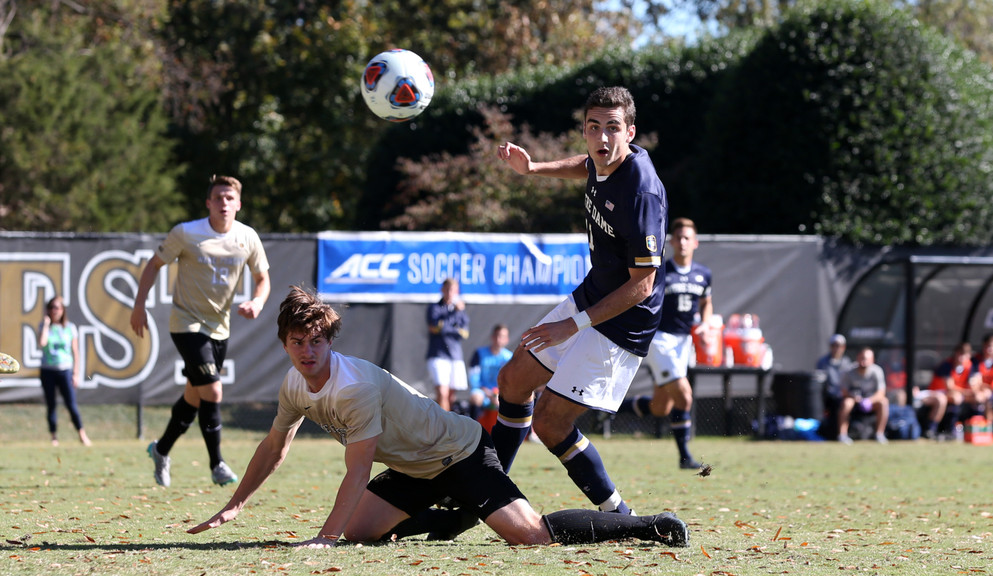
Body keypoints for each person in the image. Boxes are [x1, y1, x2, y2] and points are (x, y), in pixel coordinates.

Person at [185, 286, 689, 549]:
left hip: (461, 453)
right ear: (284, 345)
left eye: (317, 341)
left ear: (330, 340)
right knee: (361, 532)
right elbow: (274, 446)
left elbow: (357, 471)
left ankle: (644, 525)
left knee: (532, 537)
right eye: (297, 342)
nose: (307, 351)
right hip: (413, 468)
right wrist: (234, 506)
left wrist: (325, 538)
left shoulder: (354, 388)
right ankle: (451, 517)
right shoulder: (294, 384)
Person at [493, 86, 666, 516]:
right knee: (512, 380)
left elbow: (643, 285)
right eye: (593, 127)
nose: (602, 138)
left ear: (630, 132)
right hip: (592, 294)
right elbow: (587, 165)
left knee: (550, 422)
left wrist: (571, 325)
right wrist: (533, 168)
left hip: (625, 320)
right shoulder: (602, 159)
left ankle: (621, 516)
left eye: (613, 128)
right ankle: (489, 488)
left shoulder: (641, 192)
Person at [131, 174, 270, 487]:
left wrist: (258, 301)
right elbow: (154, 265)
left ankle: (161, 449)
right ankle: (217, 463)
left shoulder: (247, 237)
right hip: (186, 323)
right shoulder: (186, 233)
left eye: (229, 198)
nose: (224, 203)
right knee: (214, 390)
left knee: (194, 396)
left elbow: (263, 279)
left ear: (239, 204)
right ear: (208, 203)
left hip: (220, 327)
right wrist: (139, 305)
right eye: (218, 198)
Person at [617, 217, 711, 469]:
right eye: (678, 238)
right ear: (671, 242)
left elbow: (706, 302)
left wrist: (705, 324)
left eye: (687, 238)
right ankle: (685, 457)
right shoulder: (661, 270)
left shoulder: (703, 274)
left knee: (661, 407)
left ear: (695, 242)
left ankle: (611, 409)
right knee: (684, 397)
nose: (682, 242)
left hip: (683, 343)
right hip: (660, 340)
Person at [37, 296, 91, 447]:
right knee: (51, 405)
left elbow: (75, 351)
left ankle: (82, 434)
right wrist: (46, 324)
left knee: (71, 404)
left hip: (65, 370)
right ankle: (54, 436)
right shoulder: (44, 326)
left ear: (62, 310)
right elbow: (42, 342)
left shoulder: (69, 327)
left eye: (57, 308)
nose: (54, 311)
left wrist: (76, 373)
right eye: (51, 307)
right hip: (47, 370)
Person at [426, 278, 470, 412]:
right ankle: (442, 422)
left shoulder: (461, 310)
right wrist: (453, 318)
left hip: (455, 356)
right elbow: (435, 328)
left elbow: (464, 333)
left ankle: (448, 422)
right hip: (438, 355)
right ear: (442, 290)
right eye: (447, 289)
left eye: (453, 290)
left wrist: (447, 325)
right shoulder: (434, 308)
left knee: (451, 396)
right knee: (442, 392)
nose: (450, 293)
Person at [929, 342, 988, 431]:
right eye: (960, 354)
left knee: (979, 397)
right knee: (956, 398)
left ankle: (976, 427)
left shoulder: (969, 366)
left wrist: (975, 391)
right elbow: (950, 387)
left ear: (969, 356)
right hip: (938, 391)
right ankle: (947, 428)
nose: (961, 357)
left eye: (964, 355)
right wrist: (968, 392)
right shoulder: (947, 365)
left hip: (960, 392)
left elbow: (974, 383)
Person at [836, 347, 889, 444]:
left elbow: (881, 392)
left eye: (866, 359)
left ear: (872, 360)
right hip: (854, 401)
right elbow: (843, 391)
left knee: (884, 402)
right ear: (857, 358)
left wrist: (869, 400)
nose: (864, 361)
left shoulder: (877, 371)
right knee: (846, 403)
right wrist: (854, 398)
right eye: (862, 358)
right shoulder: (849, 371)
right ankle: (842, 435)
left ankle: (879, 434)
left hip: (870, 402)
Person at [467, 324, 512, 427]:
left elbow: (511, 381)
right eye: (496, 335)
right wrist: (487, 392)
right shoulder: (479, 353)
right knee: (475, 397)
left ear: (507, 340)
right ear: (492, 337)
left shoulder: (509, 357)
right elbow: (474, 377)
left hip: (501, 394)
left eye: (502, 336)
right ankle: (472, 429)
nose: (498, 339)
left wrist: (499, 394)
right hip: (482, 392)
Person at [816, 334, 855, 419]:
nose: (836, 348)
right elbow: (820, 381)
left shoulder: (847, 362)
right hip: (827, 397)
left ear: (843, 347)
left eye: (839, 346)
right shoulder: (822, 362)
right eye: (833, 345)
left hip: (842, 396)